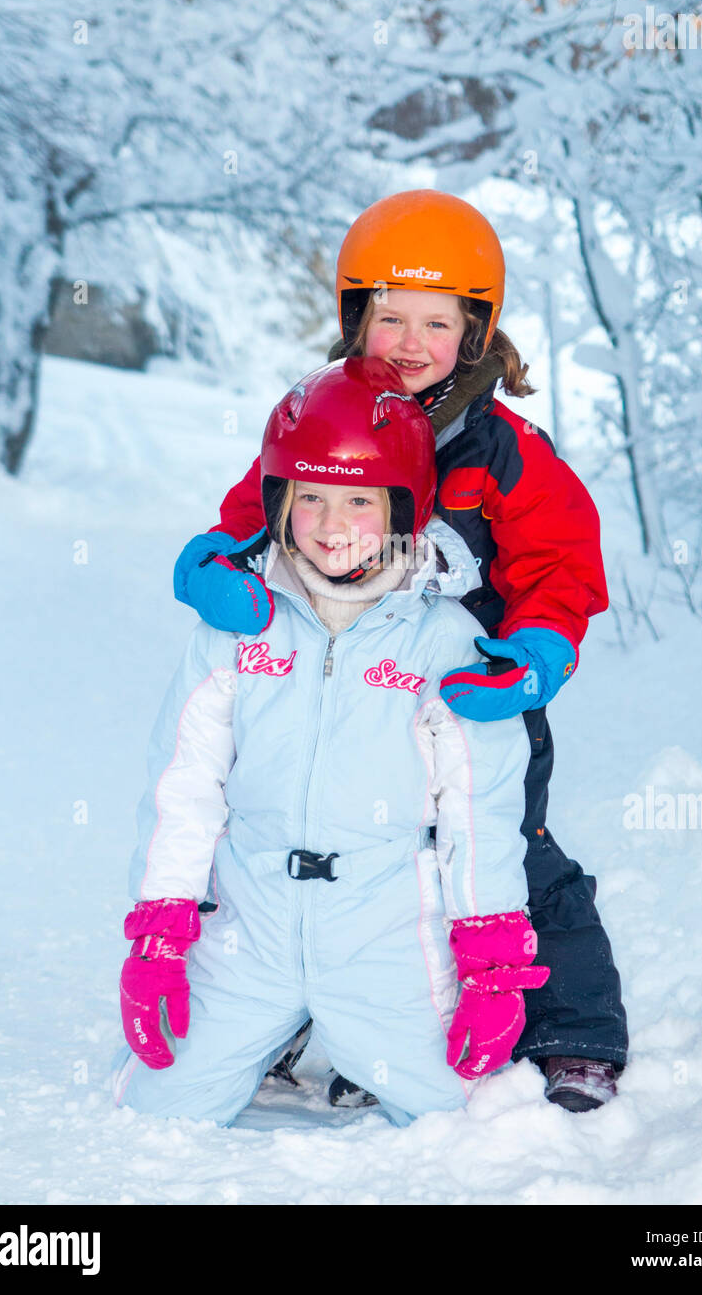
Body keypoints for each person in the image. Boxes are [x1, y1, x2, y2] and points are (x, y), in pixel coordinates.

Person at [173, 190, 628, 1113]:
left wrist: (535, 650)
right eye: (389, 317)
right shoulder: (321, 411)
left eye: (437, 321)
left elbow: (561, 562)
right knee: (298, 831)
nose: (410, 342)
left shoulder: (503, 452)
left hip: (469, 691)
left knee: (504, 846)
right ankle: (289, 1007)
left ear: (477, 332)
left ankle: (571, 1028)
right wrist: (215, 559)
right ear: (353, 321)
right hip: (339, 684)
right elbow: (258, 507)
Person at [112, 358, 550, 1128]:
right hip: (250, 929)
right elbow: (183, 786)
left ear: (403, 508)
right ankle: (273, 1040)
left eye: (357, 499)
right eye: (308, 497)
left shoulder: (444, 641)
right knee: (154, 1107)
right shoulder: (238, 626)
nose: (329, 522)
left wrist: (491, 963)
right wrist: (160, 930)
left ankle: (361, 1044)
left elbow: (479, 810)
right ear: (278, 502)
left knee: (475, 1126)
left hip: (387, 939)